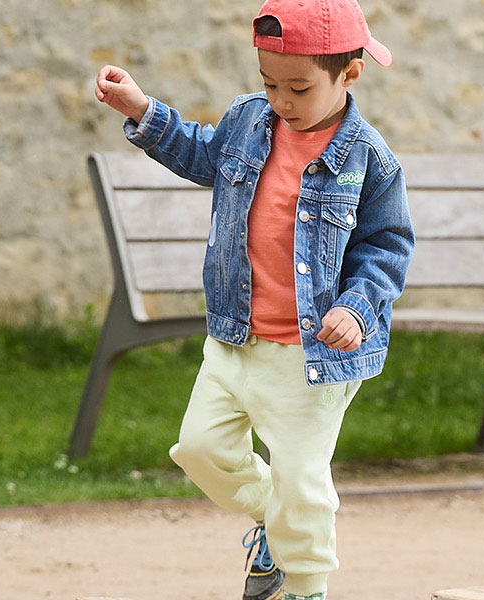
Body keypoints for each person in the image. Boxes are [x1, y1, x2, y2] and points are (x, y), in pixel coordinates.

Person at [92, 2, 413, 598]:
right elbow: (198, 152)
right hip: (235, 338)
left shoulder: (369, 158)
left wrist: (356, 308)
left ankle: (306, 586)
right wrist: (142, 110)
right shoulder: (248, 121)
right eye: (269, 83)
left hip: (310, 355)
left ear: (350, 74)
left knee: (303, 480)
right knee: (199, 449)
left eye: (298, 87)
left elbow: (387, 247)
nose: (281, 100)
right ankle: (274, 519)